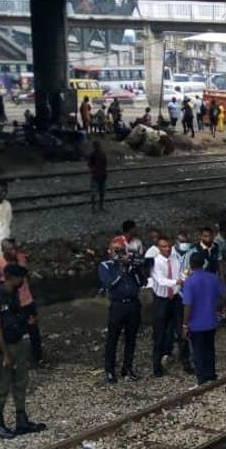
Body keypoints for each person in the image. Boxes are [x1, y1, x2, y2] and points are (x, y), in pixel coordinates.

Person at [0, 264, 47, 439]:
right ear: (12, 277)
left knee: (21, 382)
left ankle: (21, 419)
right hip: (4, 346)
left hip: (18, 342)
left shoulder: (13, 293)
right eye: (21, 278)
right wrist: (5, 354)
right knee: (3, 386)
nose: (23, 282)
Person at [97, 238, 145, 383]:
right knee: (113, 338)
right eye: (115, 250)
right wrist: (121, 270)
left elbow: (142, 282)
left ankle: (127, 368)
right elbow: (109, 284)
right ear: (109, 251)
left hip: (133, 304)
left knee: (131, 338)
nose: (118, 253)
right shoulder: (105, 265)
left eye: (121, 250)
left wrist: (134, 268)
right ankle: (110, 370)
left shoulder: (130, 264)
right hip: (118, 305)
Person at [0, 238, 44, 366]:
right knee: (14, 330)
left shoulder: (21, 258)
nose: (14, 252)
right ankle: (11, 357)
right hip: (13, 304)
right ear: (3, 250)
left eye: (15, 249)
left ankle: (37, 357)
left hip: (27, 300)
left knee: (34, 329)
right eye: (10, 250)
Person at [149, 235, 190, 377]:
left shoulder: (175, 258)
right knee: (159, 333)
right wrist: (177, 282)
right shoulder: (155, 262)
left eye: (168, 246)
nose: (166, 249)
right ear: (159, 248)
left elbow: (182, 272)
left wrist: (183, 278)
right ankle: (157, 364)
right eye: (163, 247)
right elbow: (160, 280)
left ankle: (186, 361)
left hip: (176, 299)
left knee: (182, 330)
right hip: (162, 300)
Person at [182, 252, 224, 385]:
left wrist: (185, 324)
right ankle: (211, 374)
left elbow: (188, 305)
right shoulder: (213, 278)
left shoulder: (190, 281)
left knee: (198, 351)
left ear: (191, 264)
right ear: (204, 263)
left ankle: (202, 377)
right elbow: (223, 295)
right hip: (210, 320)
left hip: (195, 323)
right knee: (210, 348)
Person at [88, 140, 108, 212]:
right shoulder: (94, 155)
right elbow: (90, 164)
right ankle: (96, 207)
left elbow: (105, 164)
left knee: (100, 192)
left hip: (100, 175)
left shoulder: (100, 154)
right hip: (98, 175)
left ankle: (98, 206)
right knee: (96, 192)